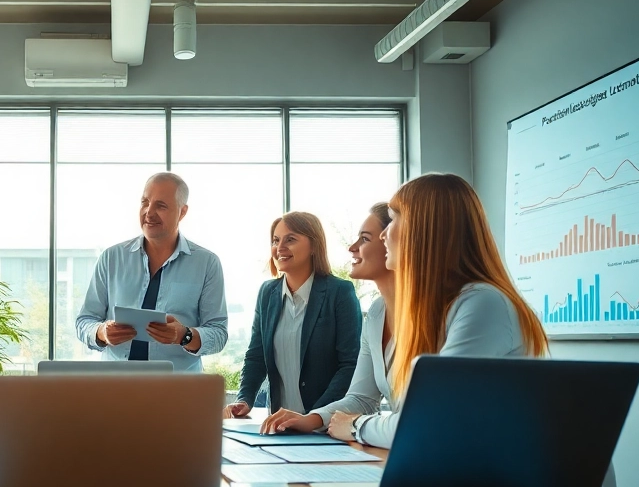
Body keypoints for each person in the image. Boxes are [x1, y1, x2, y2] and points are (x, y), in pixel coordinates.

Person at [262, 174, 549, 447]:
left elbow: (427, 421)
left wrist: (356, 426)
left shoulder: (482, 304)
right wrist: (313, 419)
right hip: (447, 470)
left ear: (426, 230)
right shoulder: (381, 313)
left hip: (499, 484)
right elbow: (362, 398)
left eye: (395, 219)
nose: (385, 234)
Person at [75, 173, 228, 372]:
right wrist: (101, 332)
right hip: (115, 388)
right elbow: (84, 321)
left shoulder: (207, 263)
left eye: (161, 206)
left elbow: (218, 333)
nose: (149, 212)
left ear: (182, 212)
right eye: (145, 202)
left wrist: (184, 335)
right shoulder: (111, 258)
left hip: (177, 392)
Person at [224, 212, 362, 418]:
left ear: (314, 245)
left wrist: (313, 417)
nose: (280, 248)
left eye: (290, 239)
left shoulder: (340, 292)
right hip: (280, 425)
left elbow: (350, 365)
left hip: (327, 424)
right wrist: (245, 399)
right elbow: (256, 356)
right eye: (276, 240)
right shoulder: (267, 293)